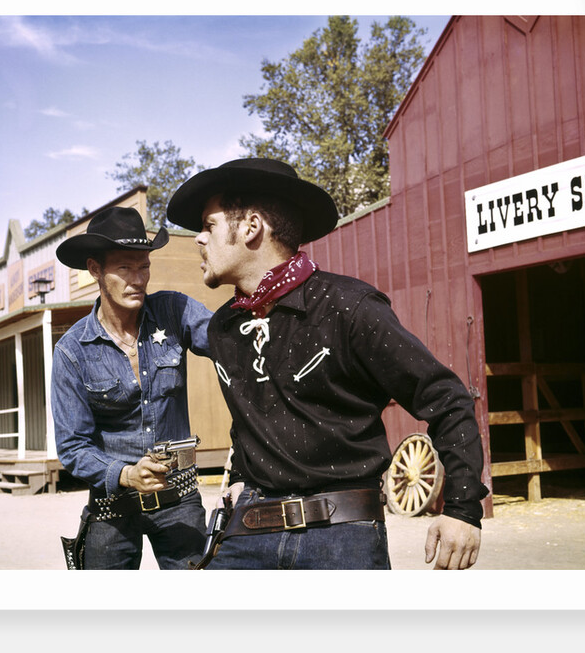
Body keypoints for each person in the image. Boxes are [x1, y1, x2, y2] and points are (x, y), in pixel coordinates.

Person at [167, 158, 489, 570]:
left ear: (250, 227)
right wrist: (238, 479)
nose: (198, 239)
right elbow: (253, 419)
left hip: (342, 538)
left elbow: (446, 399)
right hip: (247, 531)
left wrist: (463, 509)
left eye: (208, 226)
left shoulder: (349, 308)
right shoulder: (223, 328)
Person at [51, 206, 213, 569]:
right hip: (112, 504)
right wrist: (125, 474)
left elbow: (230, 343)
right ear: (95, 269)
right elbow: (72, 446)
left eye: (144, 267)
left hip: (179, 496)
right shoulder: (71, 351)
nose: (138, 279)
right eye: (125, 268)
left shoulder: (174, 311)